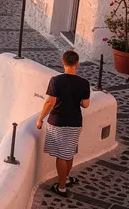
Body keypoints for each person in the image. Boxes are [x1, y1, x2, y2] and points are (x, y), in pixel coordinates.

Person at [37, 50, 92, 196]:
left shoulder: (56, 80)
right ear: (77, 64)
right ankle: (66, 179)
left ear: (63, 62)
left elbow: (50, 102)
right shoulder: (84, 83)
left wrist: (40, 118)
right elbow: (86, 105)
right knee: (69, 152)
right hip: (75, 122)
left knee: (61, 156)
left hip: (58, 122)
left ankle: (61, 187)